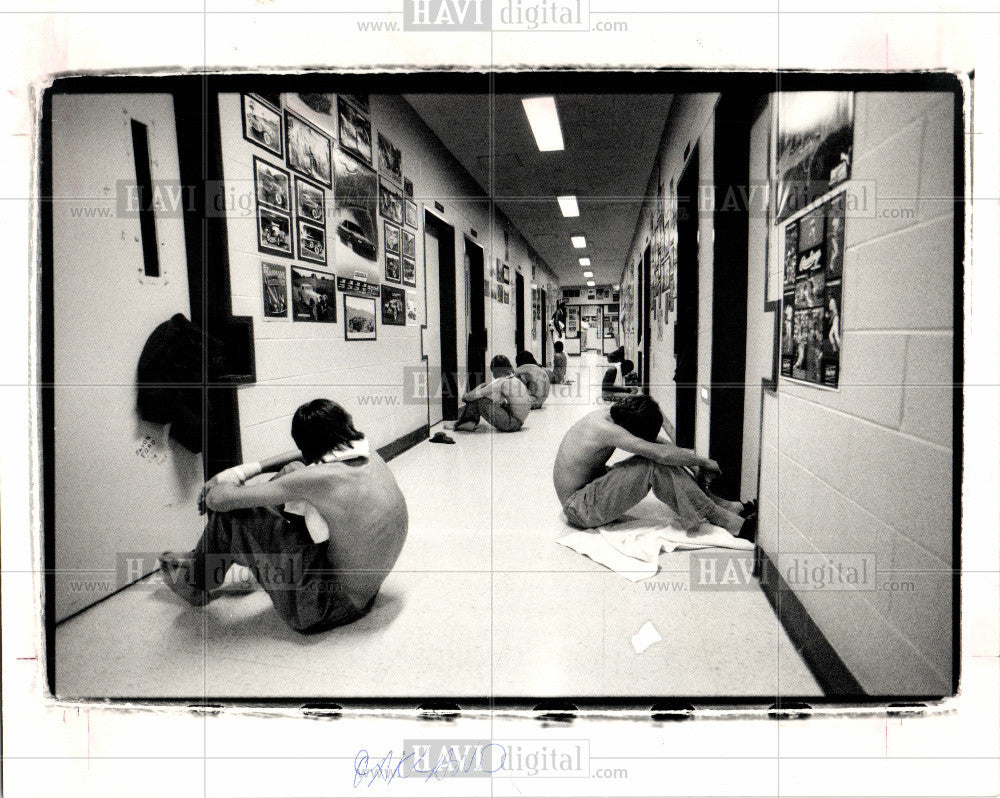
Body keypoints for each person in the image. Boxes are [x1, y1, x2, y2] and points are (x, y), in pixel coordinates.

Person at [158, 399, 408, 633]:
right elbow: (300, 458)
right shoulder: (367, 454)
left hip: (322, 607)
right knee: (291, 470)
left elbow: (219, 501)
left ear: (309, 445)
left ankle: (194, 582)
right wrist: (249, 469)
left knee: (232, 516)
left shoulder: (321, 479)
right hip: (362, 594)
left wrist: (224, 480)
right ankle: (201, 558)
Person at [553, 395, 756, 540]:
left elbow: (659, 445)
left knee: (660, 460)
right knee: (653, 465)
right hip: (578, 508)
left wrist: (694, 464)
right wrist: (703, 462)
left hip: (588, 490)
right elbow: (659, 454)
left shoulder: (618, 414)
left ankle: (724, 506)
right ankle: (725, 520)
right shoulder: (605, 429)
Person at [446, 355, 531, 433]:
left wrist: (467, 395)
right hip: (518, 421)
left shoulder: (501, 381)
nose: (493, 375)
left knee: (480, 400)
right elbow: (496, 400)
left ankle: (465, 422)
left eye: (493, 372)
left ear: (496, 370)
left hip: (512, 423)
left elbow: (471, 397)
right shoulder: (513, 379)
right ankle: (468, 422)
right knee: (491, 401)